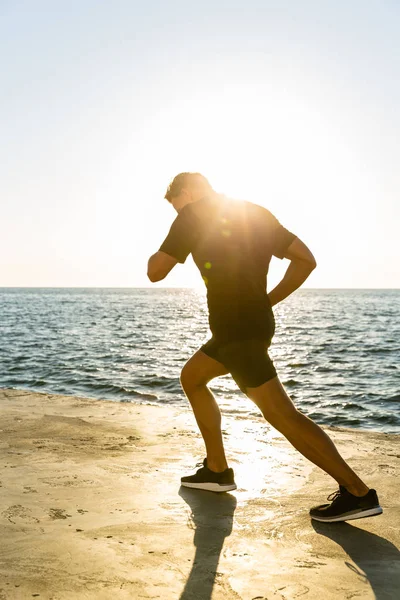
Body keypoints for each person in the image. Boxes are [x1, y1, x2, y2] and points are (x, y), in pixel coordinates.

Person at [147, 172, 383, 523]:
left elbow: (156, 271)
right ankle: (216, 470)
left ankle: (358, 492)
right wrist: (267, 301)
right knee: (192, 377)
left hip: (237, 334)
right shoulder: (254, 212)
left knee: (280, 413)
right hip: (243, 329)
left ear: (190, 190)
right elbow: (306, 259)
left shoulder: (192, 215)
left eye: (178, 205)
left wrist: (169, 241)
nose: (179, 214)